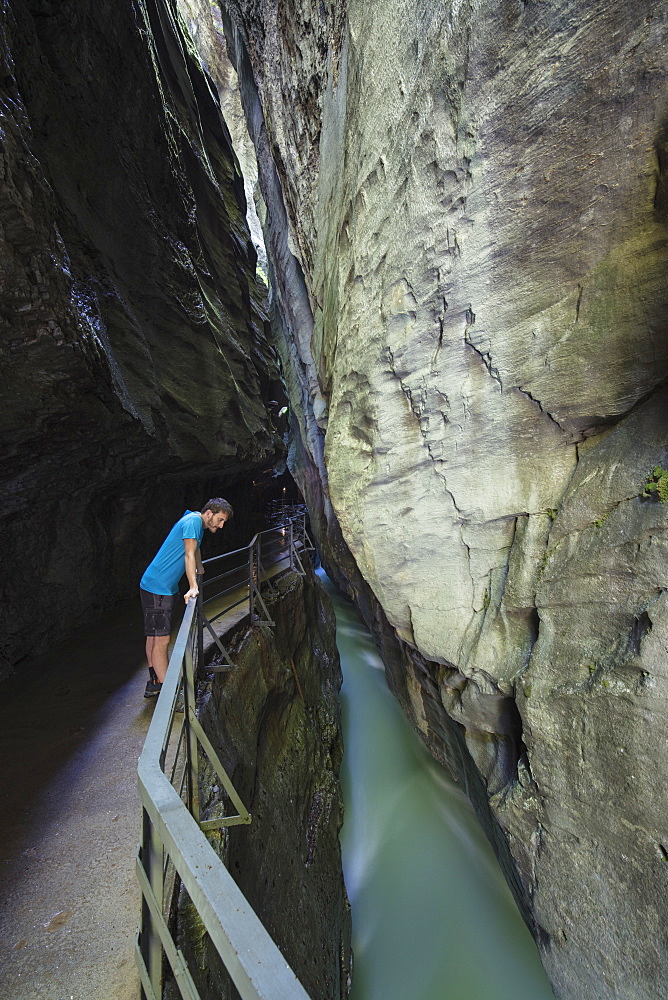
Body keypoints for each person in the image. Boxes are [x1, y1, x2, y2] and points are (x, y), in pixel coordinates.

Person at [140, 498, 233, 698]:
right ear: (209, 513)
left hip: (155, 585)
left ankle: (154, 682)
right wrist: (193, 586)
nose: (221, 525)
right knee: (161, 640)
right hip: (158, 589)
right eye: (220, 519)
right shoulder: (193, 522)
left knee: (153, 637)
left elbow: (195, 548)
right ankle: (170, 693)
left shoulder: (194, 520)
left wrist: (199, 566)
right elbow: (188, 555)